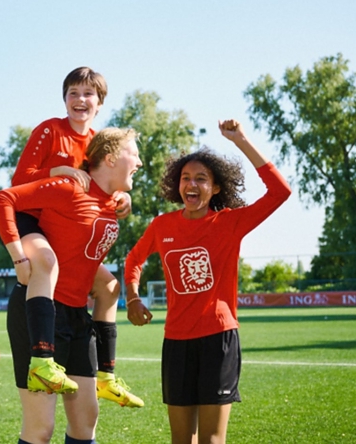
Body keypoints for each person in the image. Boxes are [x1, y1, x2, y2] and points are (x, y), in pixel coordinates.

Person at [124, 120, 292, 444]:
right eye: (186, 177)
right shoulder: (162, 225)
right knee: (181, 441)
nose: (192, 183)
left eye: (201, 178)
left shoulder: (229, 223)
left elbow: (280, 192)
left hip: (218, 338)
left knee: (211, 441)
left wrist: (241, 140)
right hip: (175, 340)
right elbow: (134, 260)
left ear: (216, 188)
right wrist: (132, 297)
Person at [0, 128, 143, 444]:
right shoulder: (69, 188)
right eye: (135, 154)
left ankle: (107, 376)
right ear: (112, 158)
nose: (140, 162)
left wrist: (122, 198)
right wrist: (18, 255)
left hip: (78, 317)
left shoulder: (112, 202)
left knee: (86, 423)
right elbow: (2, 198)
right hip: (39, 315)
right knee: (40, 429)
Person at [10, 66, 142, 408]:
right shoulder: (50, 130)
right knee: (46, 263)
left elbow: (99, 189)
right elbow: (19, 181)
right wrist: (59, 170)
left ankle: (106, 375)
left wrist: (122, 198)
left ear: (99, 103)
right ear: (64, 99)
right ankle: (41, 358)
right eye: (73, 93)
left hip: (67, 232)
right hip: (33, 222)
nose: (80, 100)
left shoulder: (100, 142)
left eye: (88, 94)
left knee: (110, 287)